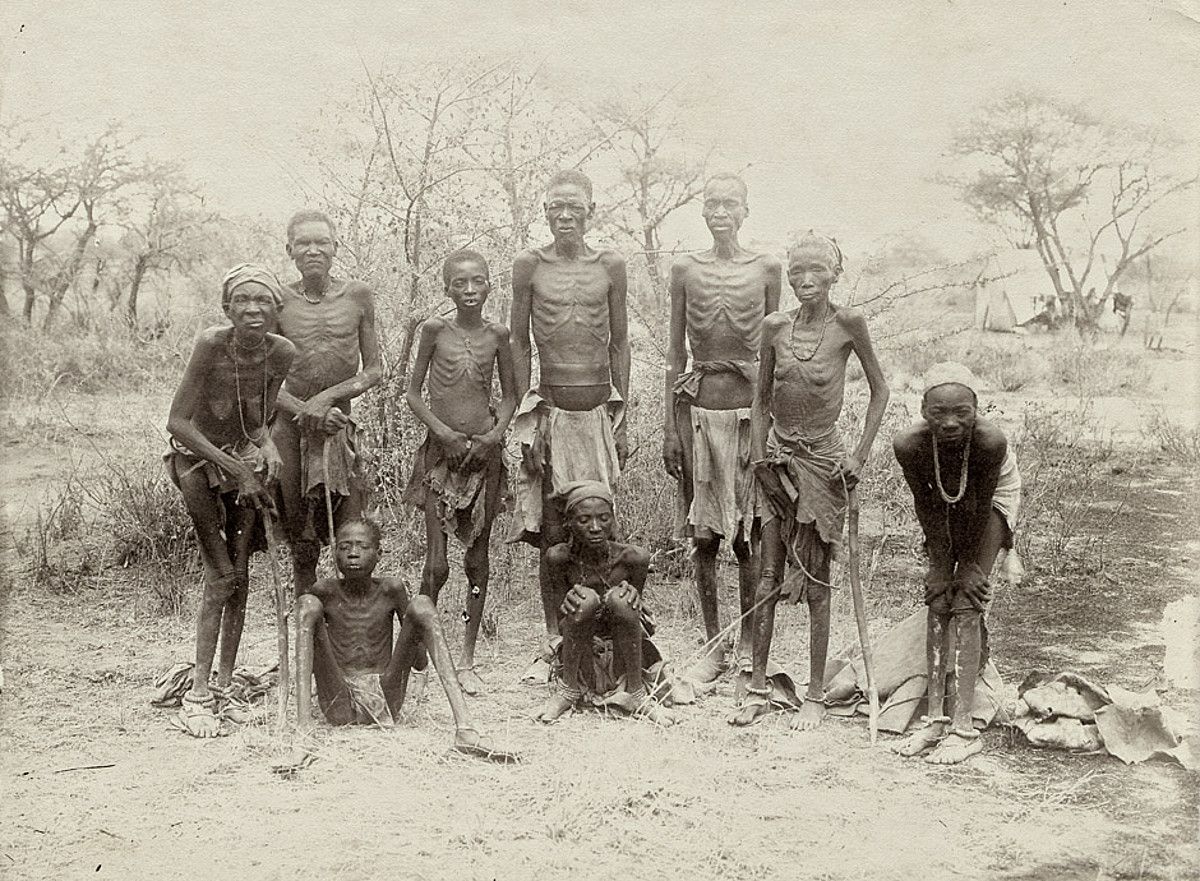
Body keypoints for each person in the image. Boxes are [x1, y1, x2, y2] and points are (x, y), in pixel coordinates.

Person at [729, 232, 889, 730]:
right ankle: (758, 686)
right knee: (768, 575)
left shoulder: (849, 324)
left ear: (835, 273)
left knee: (819, 581)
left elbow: (880, 393)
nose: (805, 280)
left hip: (824, 462)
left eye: (817, 270)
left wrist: (859, 457)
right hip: (775, 461)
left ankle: (816, 695)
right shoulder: (775, 326)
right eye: (797, 270)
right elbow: (759, 399)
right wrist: (758, 457)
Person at [165, 264, 296, 737]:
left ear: (277, 310)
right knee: (220, 574)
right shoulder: (210, 345)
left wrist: (267, 445)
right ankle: (197, 695)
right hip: (197, 461)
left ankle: (222, 688)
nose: (253, 309)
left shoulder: (282, 352)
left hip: (241, 464)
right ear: (227, 309)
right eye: (242, 300)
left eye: (263, 301)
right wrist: (239, 467)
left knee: (240, 576)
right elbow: (178, 423)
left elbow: (257, 417)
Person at [663, 173, 781, 683]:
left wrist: (770, 423)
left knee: (749, 535)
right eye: (710, 203)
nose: (719, 212)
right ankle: (714, 645)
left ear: (746, 209)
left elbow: (776, 349)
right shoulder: (686, 268)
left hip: (749, 414)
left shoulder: (767, 267)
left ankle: (753, 643)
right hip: (699, 410)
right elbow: (675, 351)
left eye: (729, 203)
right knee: (706, 535)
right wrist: (671, 427)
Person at [509, 169, 631, 652]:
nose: (565, 216)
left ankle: (605, 632)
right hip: (551, 411)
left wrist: (623, 417)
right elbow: (519, 342)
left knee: (601, 523)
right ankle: (555, 640)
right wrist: (529, 417)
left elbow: (620, 342)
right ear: (545, 212)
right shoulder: (529, 264)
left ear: (590, 211)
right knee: (553, 536)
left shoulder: (611, 265)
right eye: (555, 207)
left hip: (599, 410)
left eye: (574, 207)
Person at [295, 520, 519, 763]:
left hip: (386, 696)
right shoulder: (325, 591)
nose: (352, 553)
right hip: (337, 700)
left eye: (362, 546)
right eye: (344, 547)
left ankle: (465, 729)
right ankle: (303, 730)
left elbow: (420, 662)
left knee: (422, 603)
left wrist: (414, 632)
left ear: (379, 554)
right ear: (334, 552)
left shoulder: (391, 589)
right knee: (307, 604)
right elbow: (312, 646)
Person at [890, 362, 1021, 764]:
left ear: (977, 410)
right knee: (938, 598)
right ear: (922, 410)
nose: (949, 422)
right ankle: (933, 720)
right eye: (938, 413)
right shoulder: (908, 444)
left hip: (992, 500)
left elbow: (979, 508)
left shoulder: (989, 442)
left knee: (967, 597)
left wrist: (967, 566)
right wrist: (938, 565)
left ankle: (963, 728)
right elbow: (927, 505)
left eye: (961, 412)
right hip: (948, 506)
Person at [403, 250, 517, 695]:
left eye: (478, 282)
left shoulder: (498, 335)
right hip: (440, 455)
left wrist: (494, 436)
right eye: (460, 283)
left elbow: (510, 395)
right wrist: (443, 433)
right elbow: (413, 394)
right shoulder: (434, 330)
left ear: (490, 286)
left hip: (482, 457)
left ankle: (467, 657)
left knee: (477, 558)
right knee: (436, 563)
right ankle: (419, 646)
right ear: (446, 287)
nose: (469, 291)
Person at [273, 209, 382, 592]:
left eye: (322, 242)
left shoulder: (357, 295)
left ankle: (348, 630)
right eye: (304, 243)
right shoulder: (277, 299)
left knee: (350, 534)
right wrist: (305, 409)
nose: (313, 250)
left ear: (336, 247)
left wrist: (328, 399)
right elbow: (266, 380)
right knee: (302, 542)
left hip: (340, 426)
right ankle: (309, 631)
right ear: (290, 250)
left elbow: (374, 370)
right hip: (290, 427)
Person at [534, 482, 675, 726]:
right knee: (585, 600)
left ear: (613, 520)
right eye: (584, 520)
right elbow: (560, 620)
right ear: (568, 523)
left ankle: (636, 692)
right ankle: (569, 690)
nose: (595, 528)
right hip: (580, 648)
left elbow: (634, 613)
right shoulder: (558, 558)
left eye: (603, 518)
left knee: (620, 599)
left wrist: (628, 597)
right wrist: (571, 603)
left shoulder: (634, 558)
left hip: (622, 646)